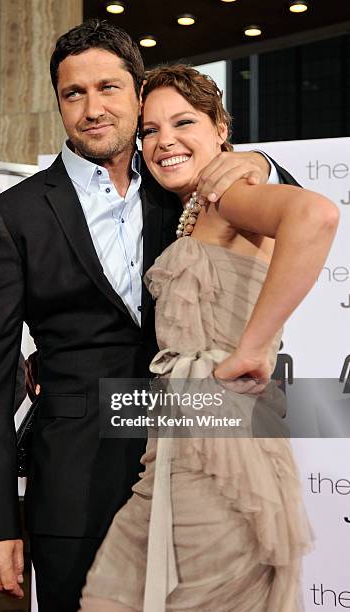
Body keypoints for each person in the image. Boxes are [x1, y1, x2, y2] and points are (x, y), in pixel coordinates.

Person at [0, 20, 303, 612]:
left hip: (198, 465)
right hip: (75, 484)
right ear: (59, 104)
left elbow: (288, 209)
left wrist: (259, 166)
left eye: (109, 88)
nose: (93, 108)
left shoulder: (182, 189)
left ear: (137, 92)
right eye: (74, 93)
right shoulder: (15, 214)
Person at [79, 65, 339, 611]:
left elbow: (315, 216)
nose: (163, 141)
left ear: (222, 128)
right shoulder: (195, 208)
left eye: (183, 122)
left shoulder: (231, 195)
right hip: (183, 434)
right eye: (149, 130)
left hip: (223, 440)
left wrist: (251, 348)